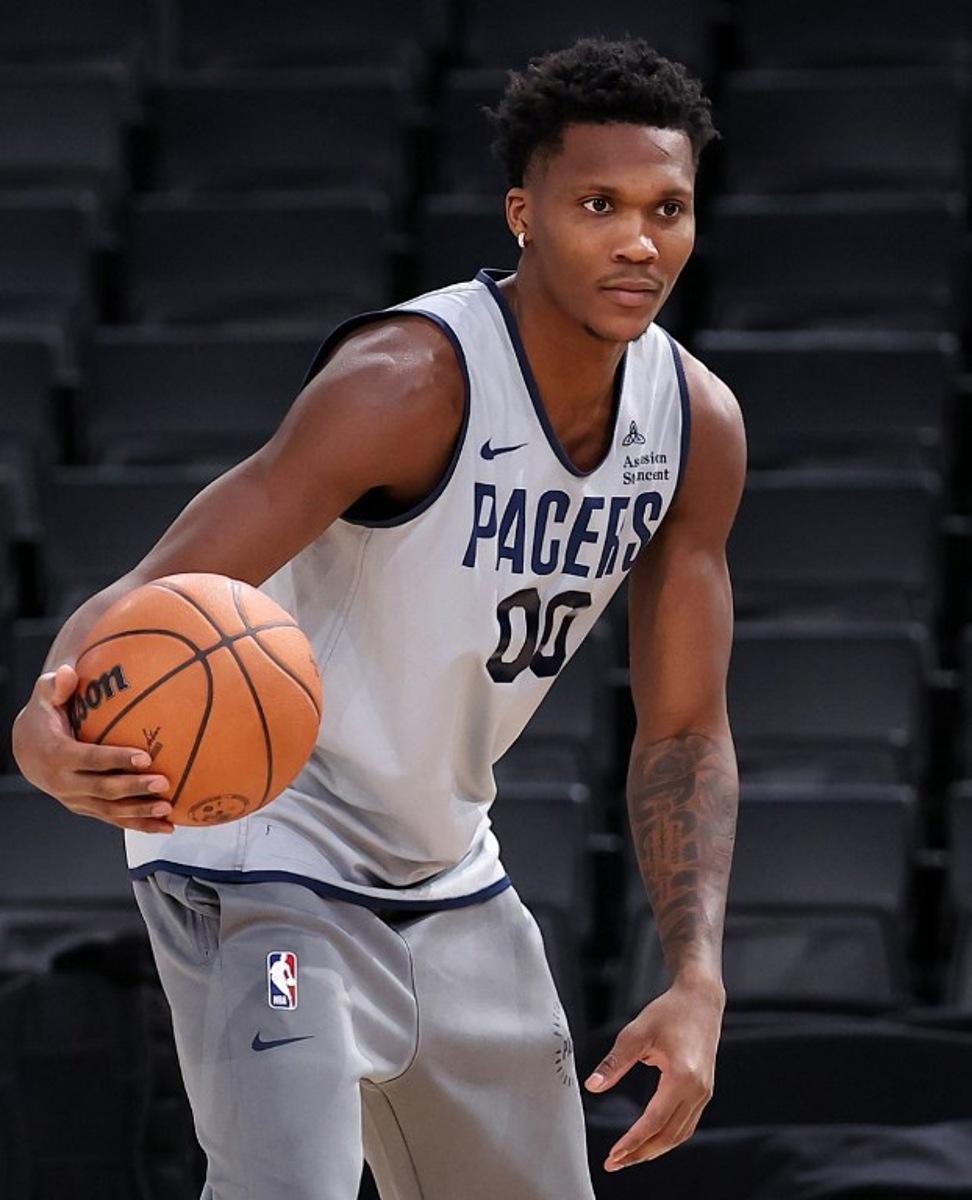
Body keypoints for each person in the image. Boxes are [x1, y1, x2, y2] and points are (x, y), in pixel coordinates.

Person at [13, 35, 745, 1199]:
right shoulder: (409, 382)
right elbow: (156, 583)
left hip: (449, 871)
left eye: (668, 208)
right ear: (523, 214)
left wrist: (697, 977)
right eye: (598, 204)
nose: (638, 241)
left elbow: (685, 732)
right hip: (264, 855)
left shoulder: (695, 427)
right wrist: (46, 717)